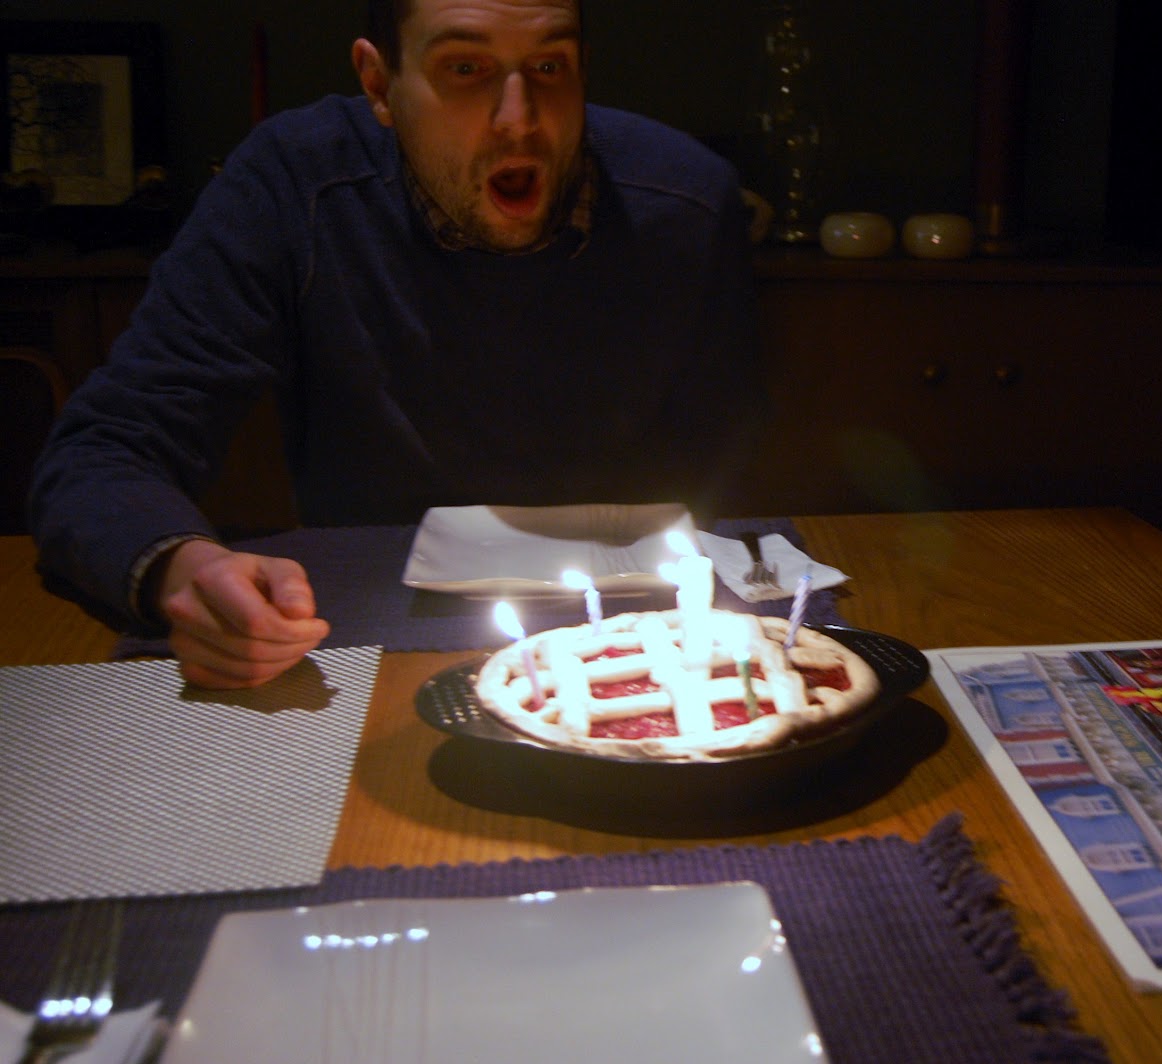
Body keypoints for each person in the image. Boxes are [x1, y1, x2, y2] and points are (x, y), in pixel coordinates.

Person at [27, 0, 759, 689]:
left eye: (548, 67)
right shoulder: (294, 185)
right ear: (379, 85)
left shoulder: (686, 204)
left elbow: (724, 498)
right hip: (350, 648)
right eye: (465, 68)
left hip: (639, 649)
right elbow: (104, 451)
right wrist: (183, 569)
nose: (519, 120)